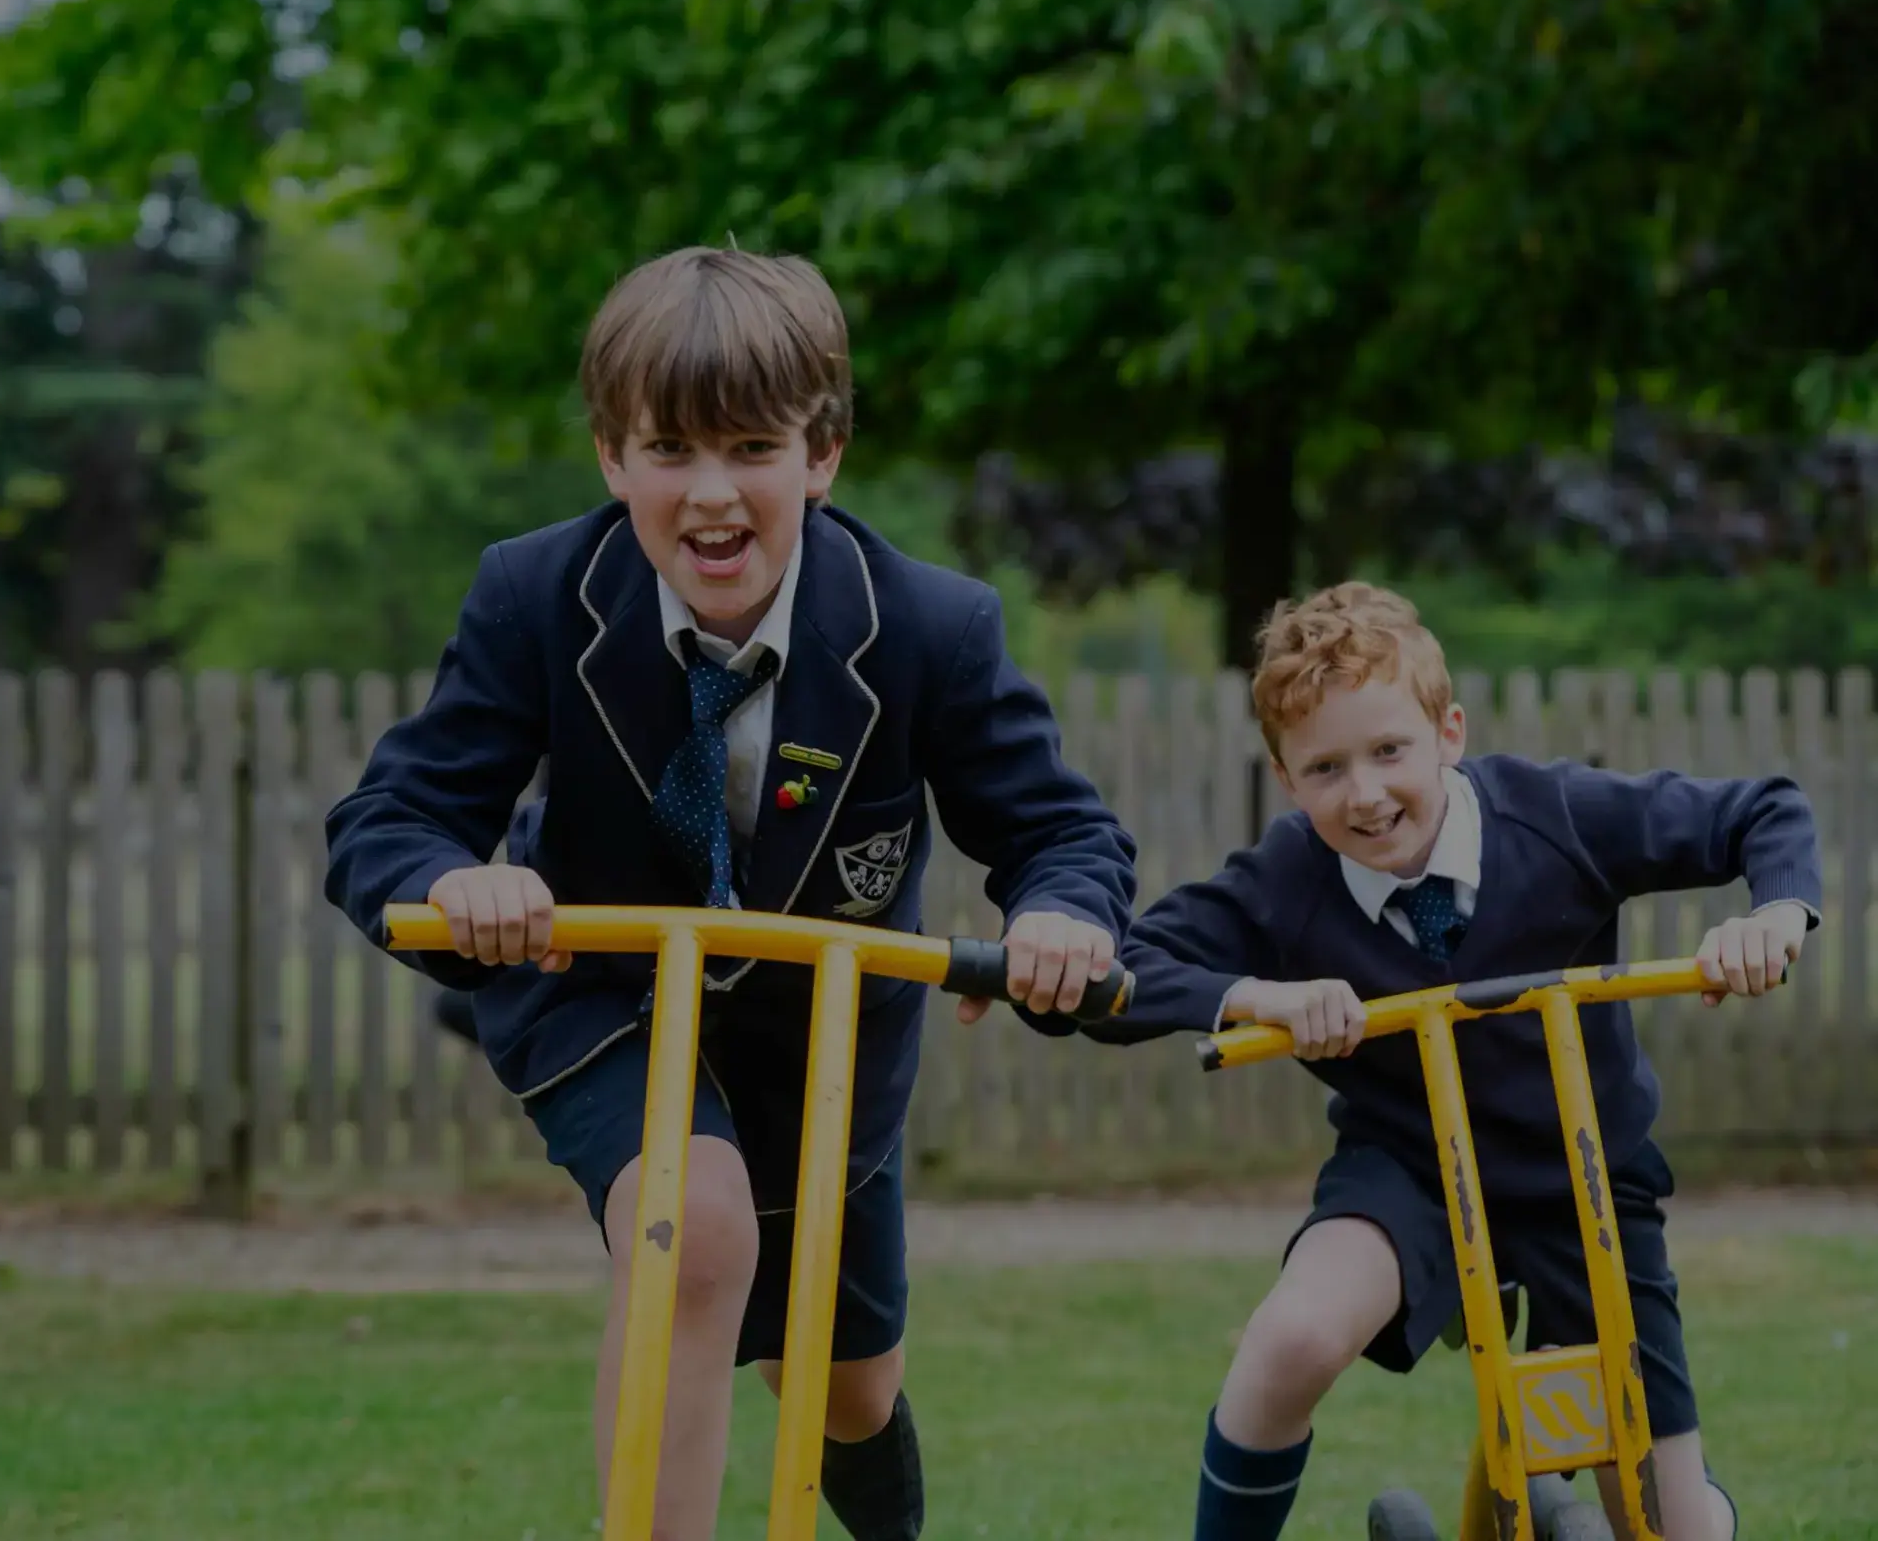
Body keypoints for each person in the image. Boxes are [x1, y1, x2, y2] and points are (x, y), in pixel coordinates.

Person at [325, 245, 1137, 1541]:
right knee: (693, 1232)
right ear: (611, 457)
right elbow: (391, 817)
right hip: (600, 994)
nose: (711, 493)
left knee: (843, 1385)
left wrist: (1060, 913)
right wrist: (453, 878)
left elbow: (1061, 831)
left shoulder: (930, 627)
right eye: (670, 451)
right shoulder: (535, 597)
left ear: (822, 455)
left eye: (752, 447)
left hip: (821, 1037)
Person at [1118, 581, 1819, 1541]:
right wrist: (1261, 996)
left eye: (1389, 751)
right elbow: (1121, 974)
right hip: (1410, 1172)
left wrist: (1775, 915)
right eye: (1324, 768)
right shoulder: (1286, 881)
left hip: (1586, 1180)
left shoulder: (1556, 814)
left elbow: (1762, 812)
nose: (1364, 793)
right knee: (1293, 1338)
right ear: (1285, 779)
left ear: (1449, 732)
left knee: (1670, 1527)